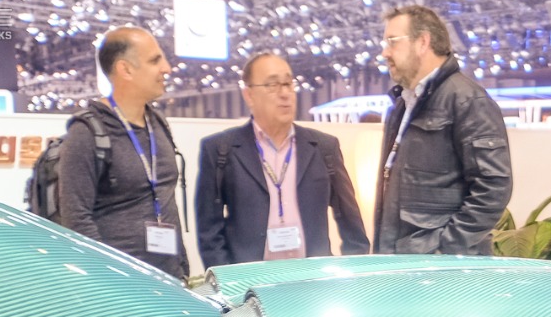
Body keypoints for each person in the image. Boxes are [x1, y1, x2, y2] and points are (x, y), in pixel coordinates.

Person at [195, 52, 368, 269]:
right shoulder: (221, 149)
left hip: (313, 277)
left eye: (288, 83)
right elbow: (209, 231)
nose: (285, 93)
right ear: (249, 95)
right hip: (251, 280)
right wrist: (228, 281)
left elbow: (351, 223)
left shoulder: (323, 147)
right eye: (272, 85)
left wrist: (349, 272)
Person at [374, 4, 511, 254]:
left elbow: (493, 188)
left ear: (422, 42)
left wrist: (443, 250)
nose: (385, 52)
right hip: (404, 260)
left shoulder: (467, 100)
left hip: (443, 267)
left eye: (392, 42)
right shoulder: (402, 105)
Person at [58, 27, 187, 278]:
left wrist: (182, 269)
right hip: (119, 286)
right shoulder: (87, 131)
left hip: (169, 280)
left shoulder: (157, 123)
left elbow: (166, 201)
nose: (167, 68)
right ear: (125, 69)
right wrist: (111, 279)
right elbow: (77, 220)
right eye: (155, 61)